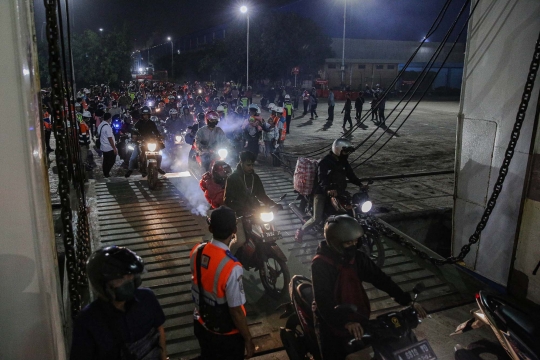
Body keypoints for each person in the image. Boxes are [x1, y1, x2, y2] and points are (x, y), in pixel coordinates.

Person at [311, 215, 427, 360]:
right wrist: (345, 322)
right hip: (330, 317)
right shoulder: (321, 264)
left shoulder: (357, 258)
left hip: (357, 313)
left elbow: (381, 279)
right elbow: (323, 299)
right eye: (348, 243)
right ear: (336, 242)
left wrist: (407, 300)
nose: (353, 245)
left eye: (355, 241)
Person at [70, 246, 167, 360]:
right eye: (120, 279)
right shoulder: (87, 322)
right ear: (103, 285)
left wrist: (164, 357)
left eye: (130, 276)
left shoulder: (146, 298)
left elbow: (159, 329)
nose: (128, 281)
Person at [190, 206, 256, 359]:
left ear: (210, 228)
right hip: (225, 335)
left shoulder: (197, 251)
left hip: (201, 324)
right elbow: (236, 311)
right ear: (234, 231)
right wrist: (248, 339)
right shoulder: (232, 267)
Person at [295, 138, 365, 242]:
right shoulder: (325, 162)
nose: (347, 154)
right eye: (345, 151)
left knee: (349, 210)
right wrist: (328, 189)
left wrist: (360, 184)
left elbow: (351, 175)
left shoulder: (343, 161)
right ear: (338, 149)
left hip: (338, 192)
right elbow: (322, 179)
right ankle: (300, 231)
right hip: (322, 192)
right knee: (316, 218)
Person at [224, 151, 282, 253]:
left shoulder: (255, 178)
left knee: (267, 233)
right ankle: (229, 257)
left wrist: (273, 204)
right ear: (241, 162)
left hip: (254, 211)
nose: (251, 167)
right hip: (239, 214)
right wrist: (238, 211)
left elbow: (262, 195)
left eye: (252, 165)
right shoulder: (233, 178)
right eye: (248, 165)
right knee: (240, 240)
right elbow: (227, 200)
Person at [125, 106, 166, 178]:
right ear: (142, 115)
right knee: (133, 158)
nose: (146, 116)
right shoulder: (138, 123)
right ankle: (130, 169)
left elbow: (156, 131)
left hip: (150, 142)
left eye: (147, 114)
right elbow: (134, 132)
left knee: (159, 154)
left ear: (149, 115)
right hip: (141, 142)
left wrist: (159, 136)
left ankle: (158, 167)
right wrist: (135, 137)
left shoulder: (152, 123)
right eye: (144, 115)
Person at [97, 113, 117, 178]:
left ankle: (105, 172)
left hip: (103, 146)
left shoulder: (101, 125)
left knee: (105, 160)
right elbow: (110, 138)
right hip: (109, 147)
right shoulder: (107, 127)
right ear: (109, 119)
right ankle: (107, 172)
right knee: (111, 160)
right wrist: (114, 148)